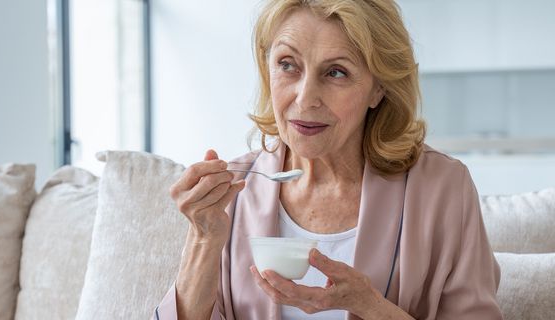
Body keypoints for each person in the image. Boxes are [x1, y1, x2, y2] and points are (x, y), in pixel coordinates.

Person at [156, 0, 503, 319]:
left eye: (336, 72)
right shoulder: (235, 192)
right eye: (287, 65)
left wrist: (370, 305)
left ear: (378, 87)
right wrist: (203, 239)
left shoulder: (441, 188)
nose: (305, 100)